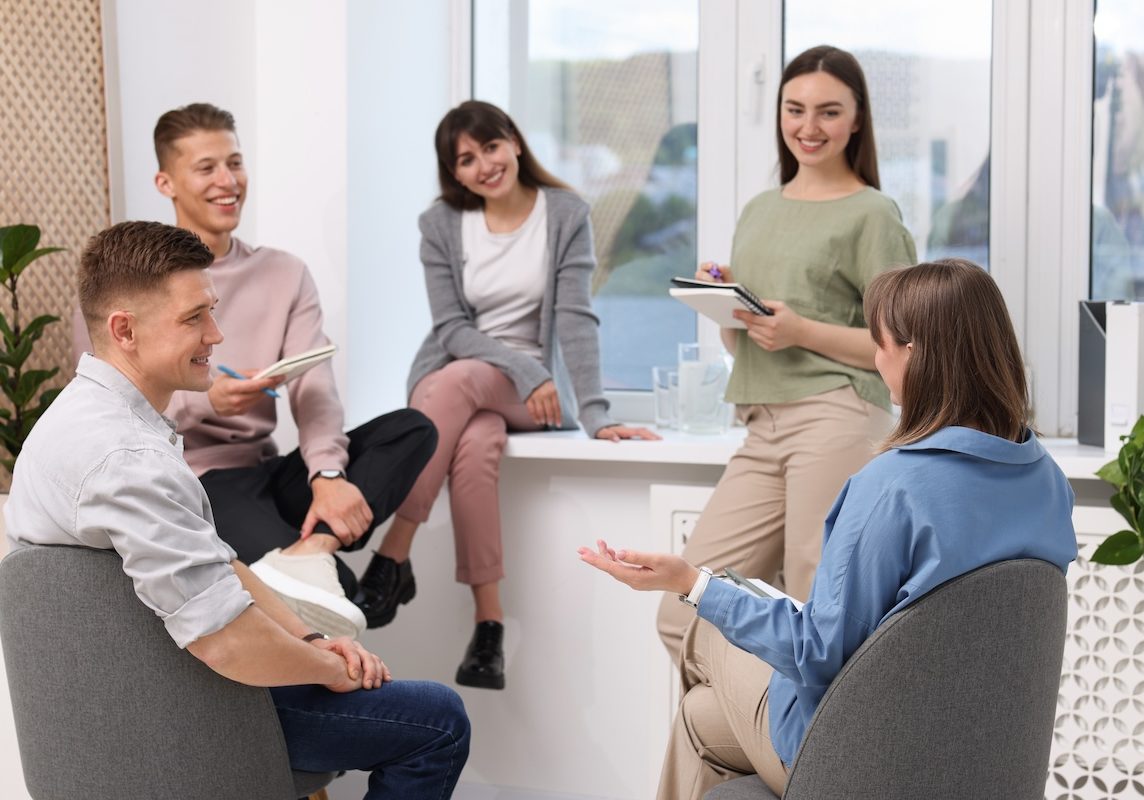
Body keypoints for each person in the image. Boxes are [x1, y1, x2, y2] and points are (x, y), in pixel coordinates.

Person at [580, 258, 1078, 799]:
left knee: (701, 627)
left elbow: (817, 654)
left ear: (915, 353)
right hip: (978, 759)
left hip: (862, 762)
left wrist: (689, 583)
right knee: (701, 719)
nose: (874, 355)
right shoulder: (1046, 480)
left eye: (879, 340)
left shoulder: (893, 487)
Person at [10, 221, 470, 798]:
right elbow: (223, 641)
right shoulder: (126, 459)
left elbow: (217, 563)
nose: (217, 334)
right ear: (124, 330)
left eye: (212, 311)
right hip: (191, 712)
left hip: (143, 697)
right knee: (437, 721)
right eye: (193, 318)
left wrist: (308, 641)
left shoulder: (82, 419)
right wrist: (337, 670)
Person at [74, 103, 438, 639]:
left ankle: (314, 547)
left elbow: (315, 390)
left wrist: (328, 476)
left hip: (267, 471)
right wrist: (205, 402)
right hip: (199, 479)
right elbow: (103, 407)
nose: (228, 181)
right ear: (165, 181)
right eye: (207, 168)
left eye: (235, 162)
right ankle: (333, 571)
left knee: (413, 429)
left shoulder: (284, 273)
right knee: (339, 599)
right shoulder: (125, 281)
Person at [363, 100, 658, 690]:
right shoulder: (442, 223)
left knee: (462, 380)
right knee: (473, 447)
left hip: (533, 394)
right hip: (464, 378)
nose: (483, 166)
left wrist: (596, 414)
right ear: (455, 173)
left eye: (490, 147)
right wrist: (522, 366)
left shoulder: (566, 212)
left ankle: (393, 551)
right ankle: (489, 629)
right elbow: (452, 329)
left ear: (515, 143)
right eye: (465, 160)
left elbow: (575, 316)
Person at [656, 45, 918, 662]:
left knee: (817, 606)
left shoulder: (872, 213)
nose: (808, 127)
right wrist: (723, 305)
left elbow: (905, 344)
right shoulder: (760, 210)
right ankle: (760, 737)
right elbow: (743, 340)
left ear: (857, 120)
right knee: (681, 613)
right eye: (794, 109)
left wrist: (803, 331)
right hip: (761, 421)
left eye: (829, 112)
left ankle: (810, 754)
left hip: (838, 416)